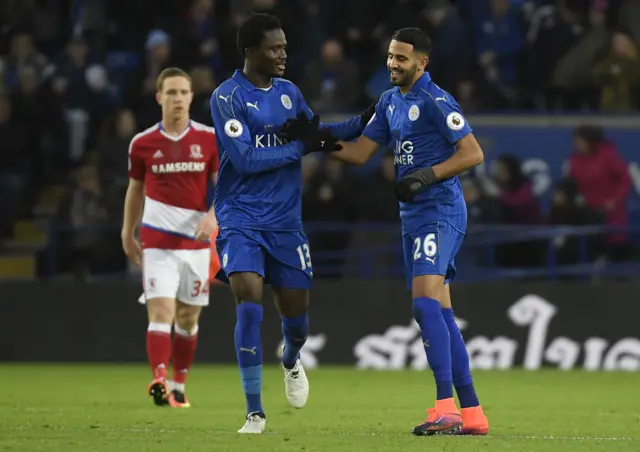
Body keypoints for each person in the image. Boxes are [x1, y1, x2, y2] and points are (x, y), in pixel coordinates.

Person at [287, 28, 488, 436]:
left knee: (422, 304)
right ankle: (472, 413)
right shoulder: (391, 101)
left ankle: (444, 407)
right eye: (391, 56)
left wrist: (427, 176)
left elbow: (473, 152)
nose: (392, 63)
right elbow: (360, 150)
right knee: (441, 313)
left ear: (422, 63)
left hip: (440, 210)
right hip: (412, 216)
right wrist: (316, 140)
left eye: (401, 58)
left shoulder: (435, 100)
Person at [209, 13, 375, 434]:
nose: (284, 54)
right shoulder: (227, 97)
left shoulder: (289, 93)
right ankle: (254, 411)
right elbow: (245, 160)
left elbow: (318, 132)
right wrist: (303, 147)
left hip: (285, 223)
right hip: (240, 217)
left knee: (296, 320)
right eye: (274, 48)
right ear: (251, 51)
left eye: (284, 46)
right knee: (248, 300)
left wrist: (366, 119)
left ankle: (290, 358)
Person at [122, 67, 219, 409]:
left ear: (192, 97)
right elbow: (135, 189)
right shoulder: (143, 143)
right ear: (159, 97)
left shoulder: (209, 138)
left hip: (196, 244)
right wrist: (127, 231)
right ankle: (160, 378)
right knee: (161, 311)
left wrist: (213, 215)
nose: (178, 98)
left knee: (188, 318)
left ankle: (179, 384)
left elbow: (225, 186)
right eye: (172, 92)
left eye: (183, 92)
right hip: (157, 241)